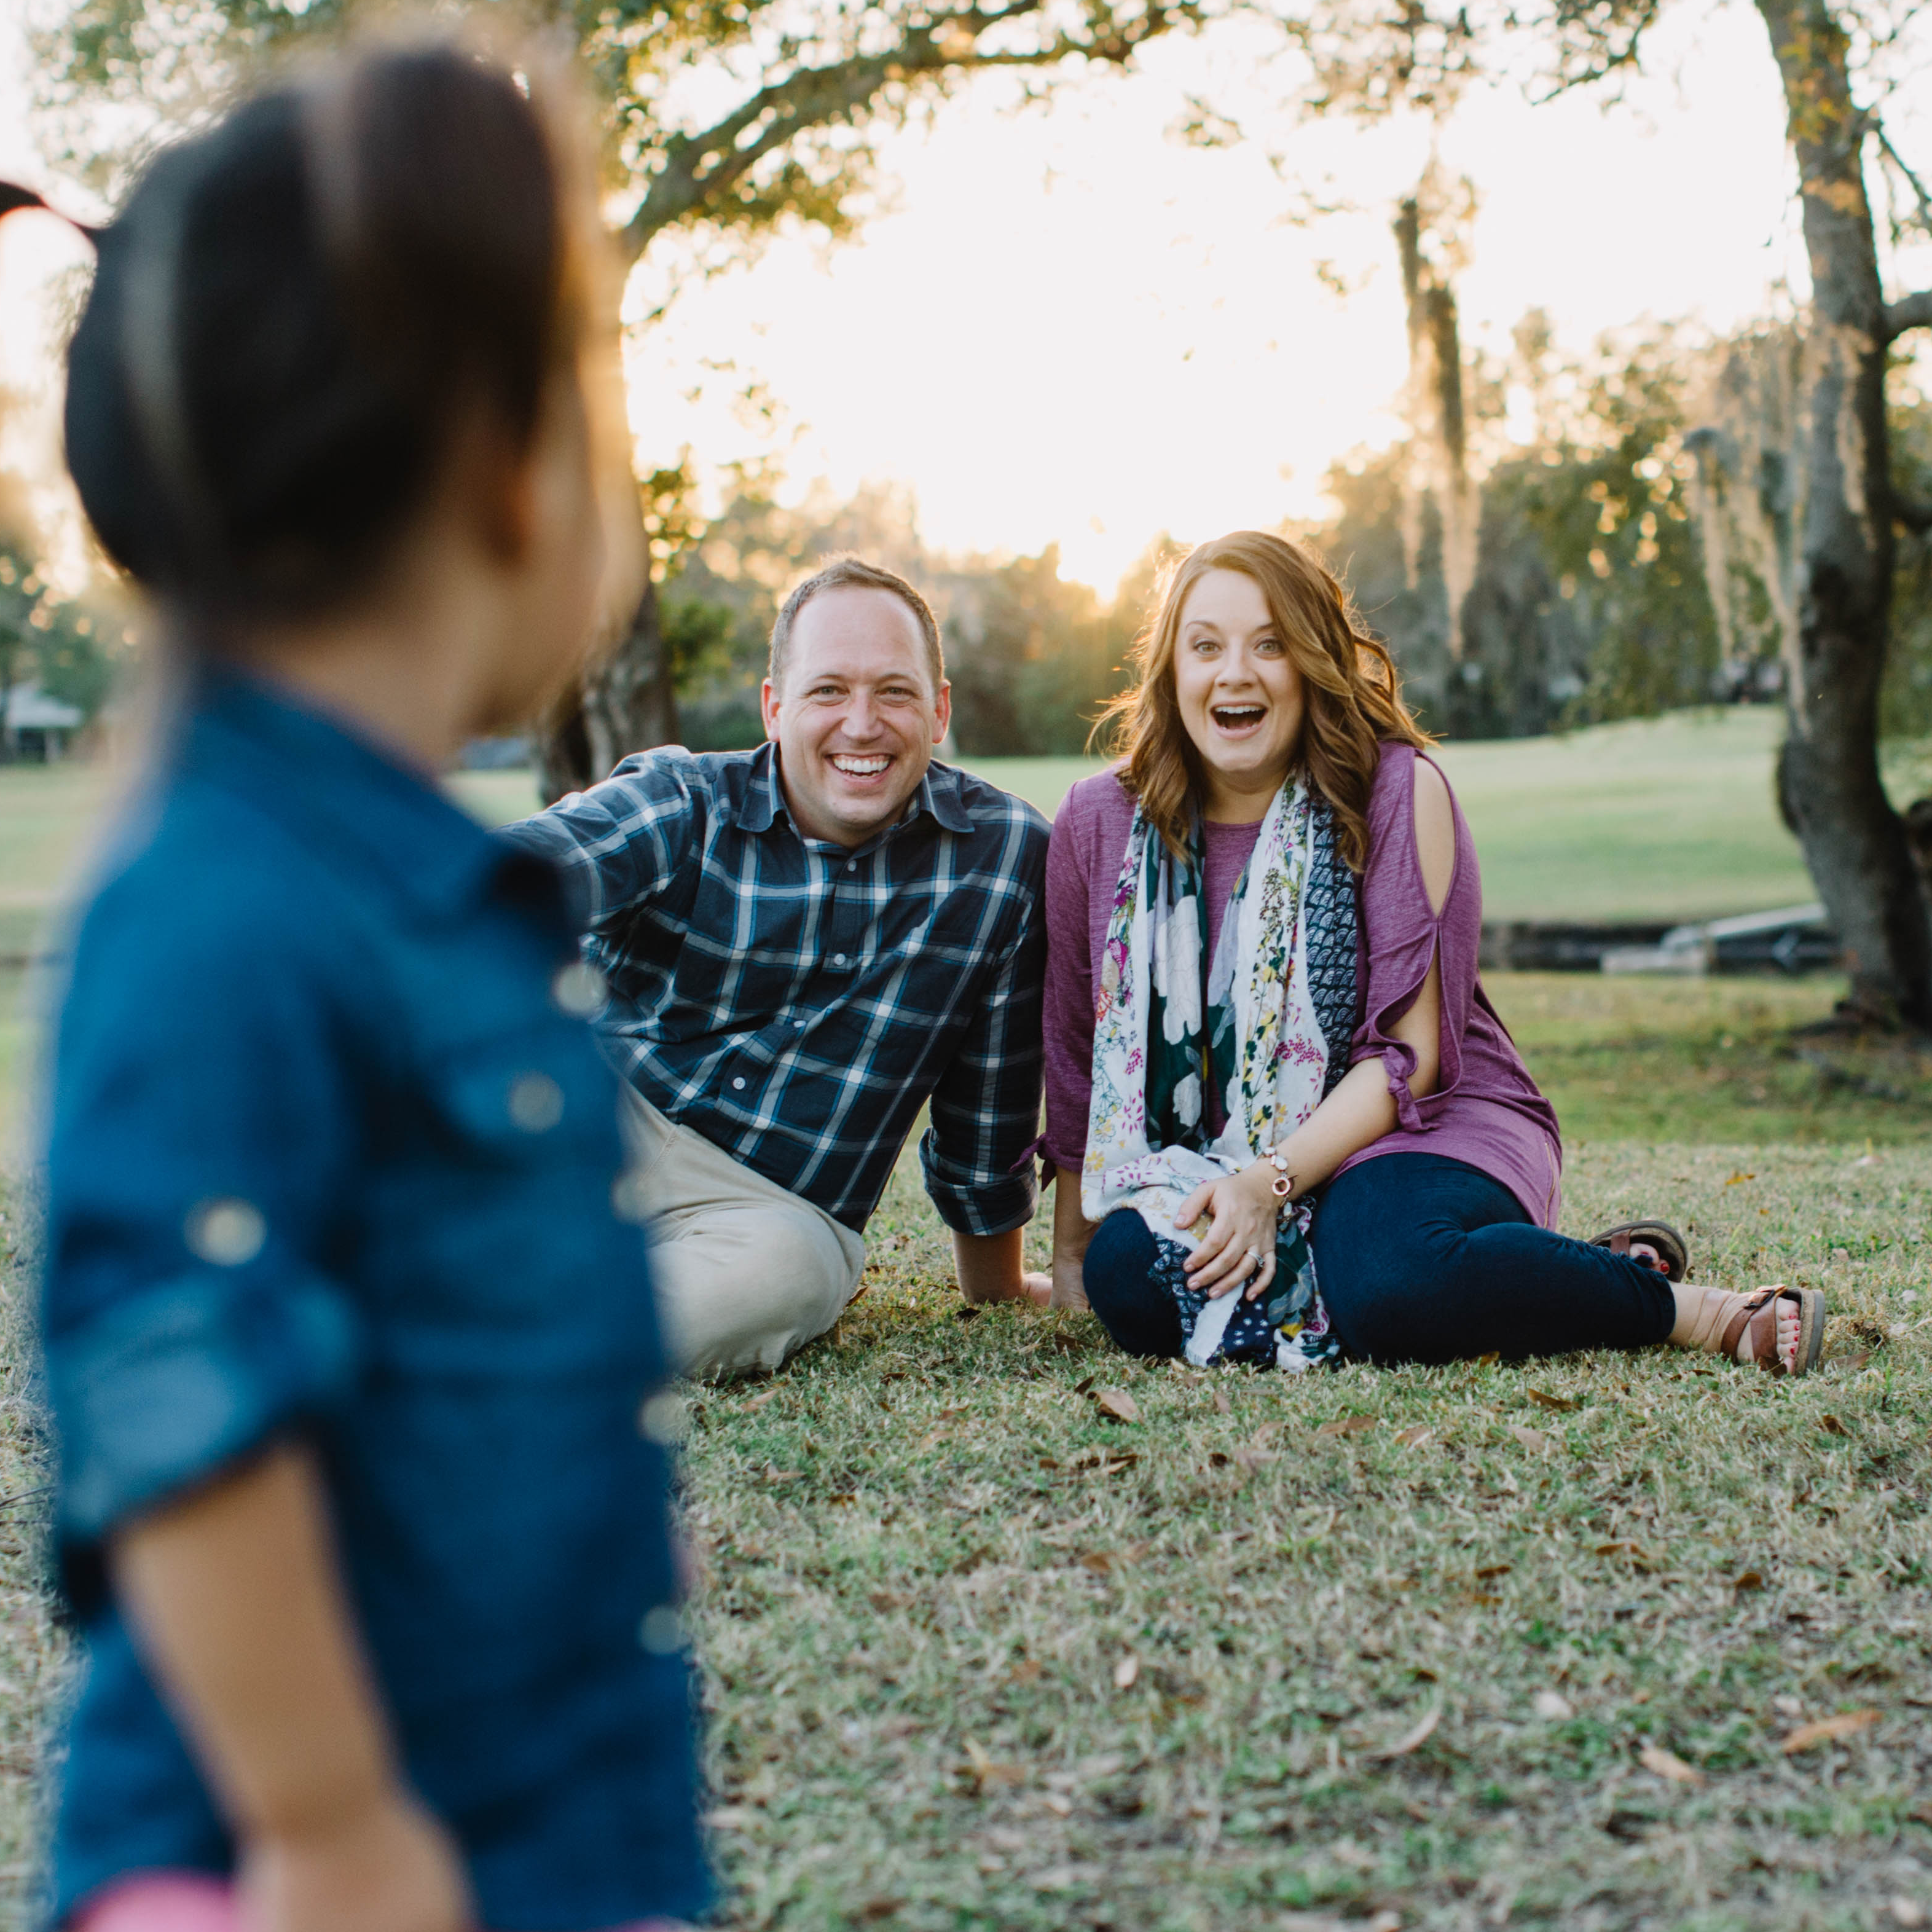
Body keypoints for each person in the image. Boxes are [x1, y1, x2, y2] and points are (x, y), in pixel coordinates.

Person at [0, 34, 710, 1932]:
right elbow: (177, 1395)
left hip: (538, 1844)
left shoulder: (426, 881)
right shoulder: (218, 904)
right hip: (303, 1909)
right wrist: (324, 1827)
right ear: (498, 463)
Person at [1040, 529, 1837, 1375]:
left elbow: (1411, 1059)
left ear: (1313, 661)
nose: (1235, 672)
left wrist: (1266, 1183)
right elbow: (1077, 1055)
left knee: (1388, 1281)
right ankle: (1516, 1272)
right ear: (1171, 668)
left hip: (1429, 1124)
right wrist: (1069, 1262)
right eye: (1206, 646)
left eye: (1270, 643)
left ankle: (1691, 1309)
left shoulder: (1393, 789)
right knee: (1128, 1273)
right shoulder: (1101, 820)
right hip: (1213, 1155)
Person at [508, 554, 1051, 1381]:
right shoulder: (687, 801)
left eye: (894, 691)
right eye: (828, 689)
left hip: (770, 1214)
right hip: (596, 1117)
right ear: (775, 707)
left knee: (791, 1273)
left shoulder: (1004, 857)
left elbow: (991, 1104)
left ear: (939, 711)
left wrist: (998, 1286)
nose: (861, 723)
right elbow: (518, 876)